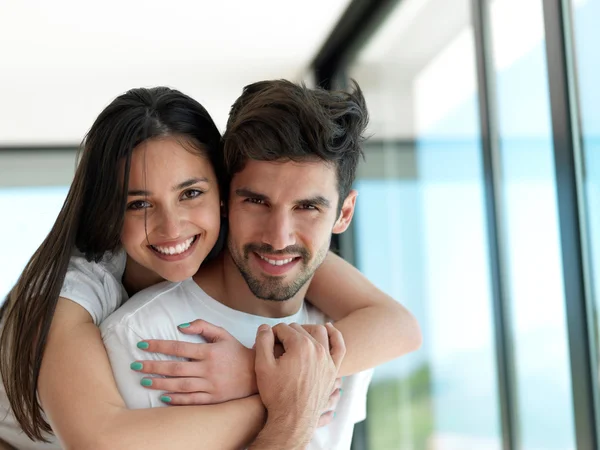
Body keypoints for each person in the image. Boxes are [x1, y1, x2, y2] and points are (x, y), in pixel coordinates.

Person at [0, 86, 421, 449]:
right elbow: (101, 441)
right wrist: (284, 396)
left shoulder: (260, 245)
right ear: (109, 210)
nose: (172, 226)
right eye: (140, 204)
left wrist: (252, 367)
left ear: (221, 192)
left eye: (191, 193)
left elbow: (396, 325)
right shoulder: (69, 294)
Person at [100, 79, 387, 449]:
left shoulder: (342, 340)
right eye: (256, 202)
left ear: (344, 213)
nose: (278, 237)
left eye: (307, 207)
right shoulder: (144, 338)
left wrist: (259, 370)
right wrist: (290, 411)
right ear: (223, 198)